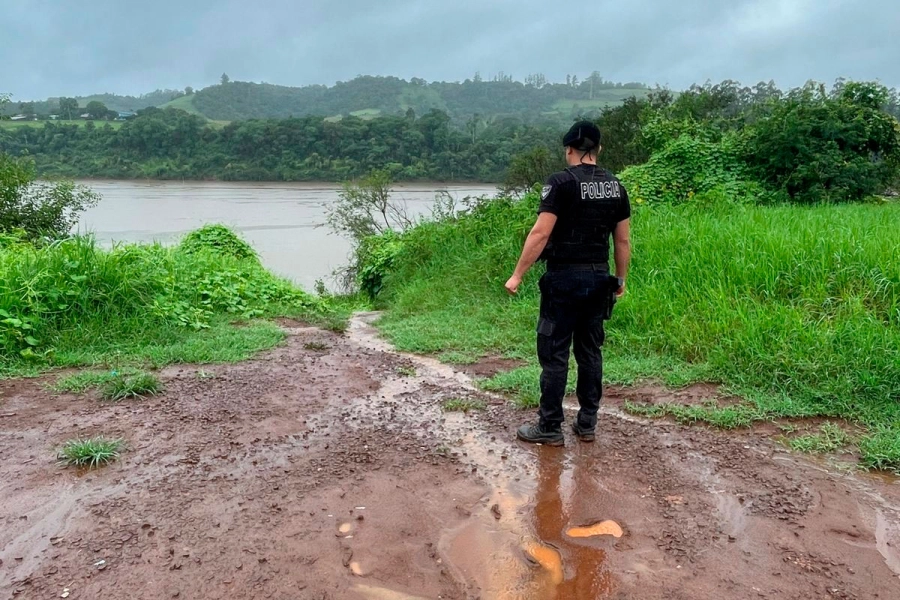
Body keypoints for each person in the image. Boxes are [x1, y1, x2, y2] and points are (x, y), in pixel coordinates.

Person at [504, 121, 631, 446]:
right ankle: (587, 423)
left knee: (555, 352)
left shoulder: (560, 183)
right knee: (590, 351)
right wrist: (620, 279)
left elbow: (540, 233)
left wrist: (517, 274)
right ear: (598, 149)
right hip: (599, 278)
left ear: (569, 149)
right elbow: (622, 241)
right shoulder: (616, 187)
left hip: (564, 280)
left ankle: (549, 426)